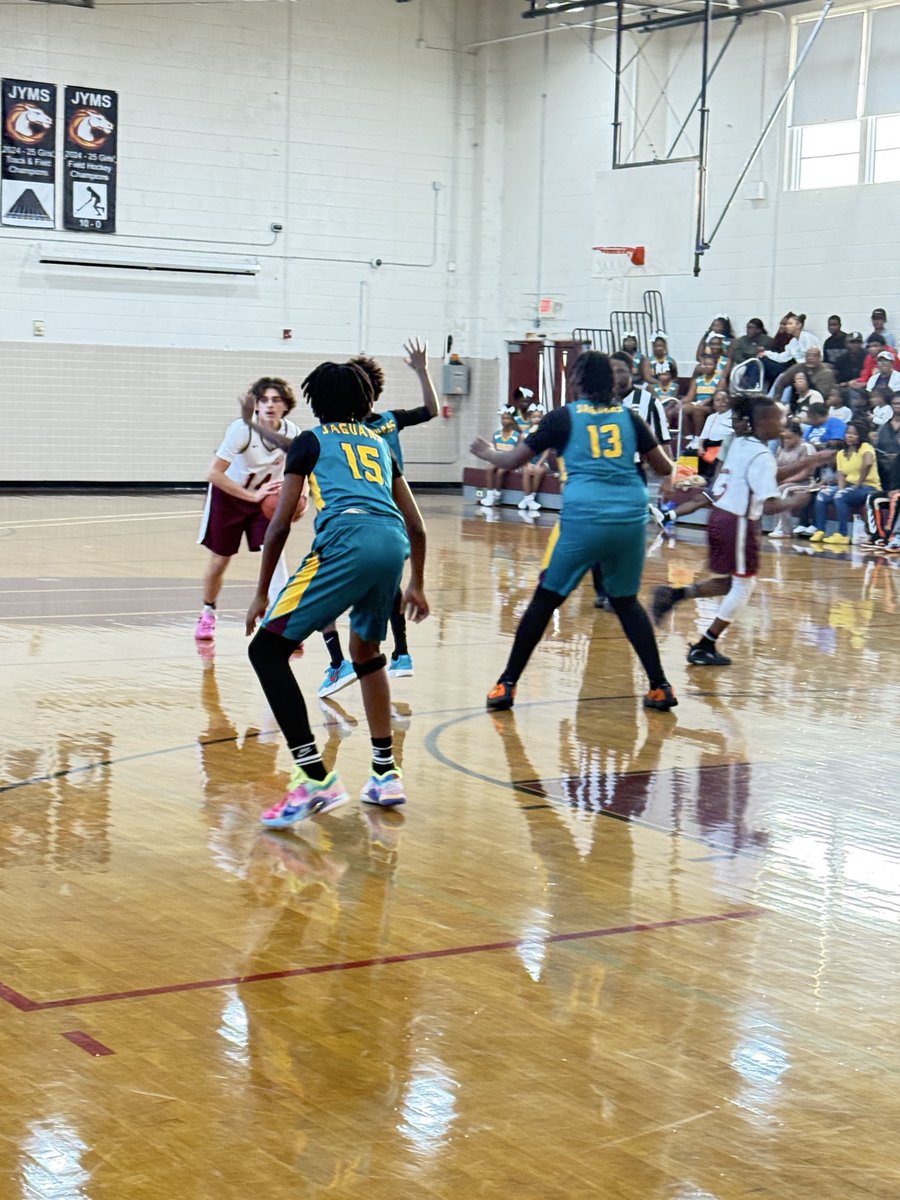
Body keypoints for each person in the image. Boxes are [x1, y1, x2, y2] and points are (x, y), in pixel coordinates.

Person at [244, 360, 429, 826]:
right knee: (366, 651)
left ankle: (314, 779)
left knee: (267, 651)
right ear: (367, 402)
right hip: (392, 544)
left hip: (348, 540)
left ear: (315, 402)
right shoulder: (381, 444)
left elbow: (281, 523)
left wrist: (262, 592)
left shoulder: (312, 440)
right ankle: (386, 774)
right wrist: (418, 584)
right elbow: (417, 525)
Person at [471, 350, 679, 713]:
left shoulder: (563, 418)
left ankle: (506, 684)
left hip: (585, 516)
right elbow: (663, 468)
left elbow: (511, 461)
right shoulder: (630, 418)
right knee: (626, 602)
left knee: (545, 600)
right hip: (630, 517)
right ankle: (660, 686)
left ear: (578, 381)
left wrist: (486, 452)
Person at [316, 339, 438, 694]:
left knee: (358, 586)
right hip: (381, 516)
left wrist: (423, 371)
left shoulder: (380, 424)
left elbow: (430, 409)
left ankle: (363, 658)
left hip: (376, 510)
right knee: (387, 583)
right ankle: (393, 653)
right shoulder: (352, 428)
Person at [651, 395, 808, 667]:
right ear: (760, 422)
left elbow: (767, 474)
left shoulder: (739, 444)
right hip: (738, 521)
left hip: (721, 517)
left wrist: (810, 462)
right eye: (777, 418)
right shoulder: (759, 453)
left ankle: (675, 595)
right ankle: (705, 644)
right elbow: (770, 503)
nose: (782, 423)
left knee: (729, 582)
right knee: (744, 586)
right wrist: (795, 501)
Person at [195, 377, 303, 642]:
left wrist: (303, 496)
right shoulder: (241, 430)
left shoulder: (293, 433)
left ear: (286, 405)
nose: (269, 405)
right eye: (263, 399)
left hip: (264, 501)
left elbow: (303, 472)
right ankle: (208, 611)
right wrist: (251, 496)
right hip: (229, 496)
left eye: (276, 399)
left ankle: (282, 624)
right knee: (220, 560)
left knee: (275, 555)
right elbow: (213, 473)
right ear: (255, 404)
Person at [810, 421, 880, 546]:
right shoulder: (841, 453)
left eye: (854, 434)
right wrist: (841, 489)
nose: (850, 436)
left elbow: (868, 463)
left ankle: (843, 534)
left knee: (840, 496)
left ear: (860, 436)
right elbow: (841, 475)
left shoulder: (865, 447)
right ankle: (820, 530)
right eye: (848, 433)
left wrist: (858, 484)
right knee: (823, 494)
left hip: (868, 486)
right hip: (849, 486)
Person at [769, 420, 819, 538]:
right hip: (786, 481)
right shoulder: (781, 448)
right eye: (784, 438)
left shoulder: (806, 447)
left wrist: (784, 480)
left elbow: (805, 473)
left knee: (782, 490)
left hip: (806, 482)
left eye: (789, 437)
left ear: (798, 435)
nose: (786, 440)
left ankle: (783, 529)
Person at [758, 313, 820, 387]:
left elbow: (815, 357)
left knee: (785, 377)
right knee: (781, 377)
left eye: (790, 324)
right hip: (798, 369)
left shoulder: (807, 338)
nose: (787, 326)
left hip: (810, 370)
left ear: (798, 325)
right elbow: (782, 358)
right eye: (787, 324)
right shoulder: (793, 342)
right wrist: (766, 353)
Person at [479, 408, 521, 507]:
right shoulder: (497, 434)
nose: (504, 421)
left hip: (511, 460)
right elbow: (495, 450)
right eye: (503, 418)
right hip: (500, 458)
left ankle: (497, 494)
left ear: (512, 420)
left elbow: (519, 452)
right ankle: (490, 495)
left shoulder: (517, 435)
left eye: (507, 418)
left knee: (500, 471)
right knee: (489, 468)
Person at [682, 349, 725, 439]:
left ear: (715, 365)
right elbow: (689, 397)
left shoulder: (720, 379)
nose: (706, 367)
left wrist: (704, 402)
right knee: (683, 409)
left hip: (712, 406)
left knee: (698, 411)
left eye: (709, 365)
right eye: (704, 365)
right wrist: (679, 402)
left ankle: (698, 438)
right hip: (698, 404)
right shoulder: (697, 379)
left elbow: (717, 396)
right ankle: (688, 437)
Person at [517, 407, 551, 512]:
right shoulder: (524, 434)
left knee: (538, 470)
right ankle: (527, 498)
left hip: (542, 462)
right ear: (530, 418)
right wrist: (527, 463)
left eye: (539, 417)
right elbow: (522, 451)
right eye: (534, 417)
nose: (537, 419)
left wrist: (539, 463)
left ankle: (532, 497)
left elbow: (546, 451)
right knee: (526, 469)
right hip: (528, 461)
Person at [697, 391, 733, 480]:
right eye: (718, 400)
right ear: (714, 403)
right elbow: (703, 436)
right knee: (689, 454)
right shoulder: (711, 417)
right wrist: (700, 446)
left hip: (723, 446)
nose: (722, 402)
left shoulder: (733, 416)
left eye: (725, 400)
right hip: (709, 445)